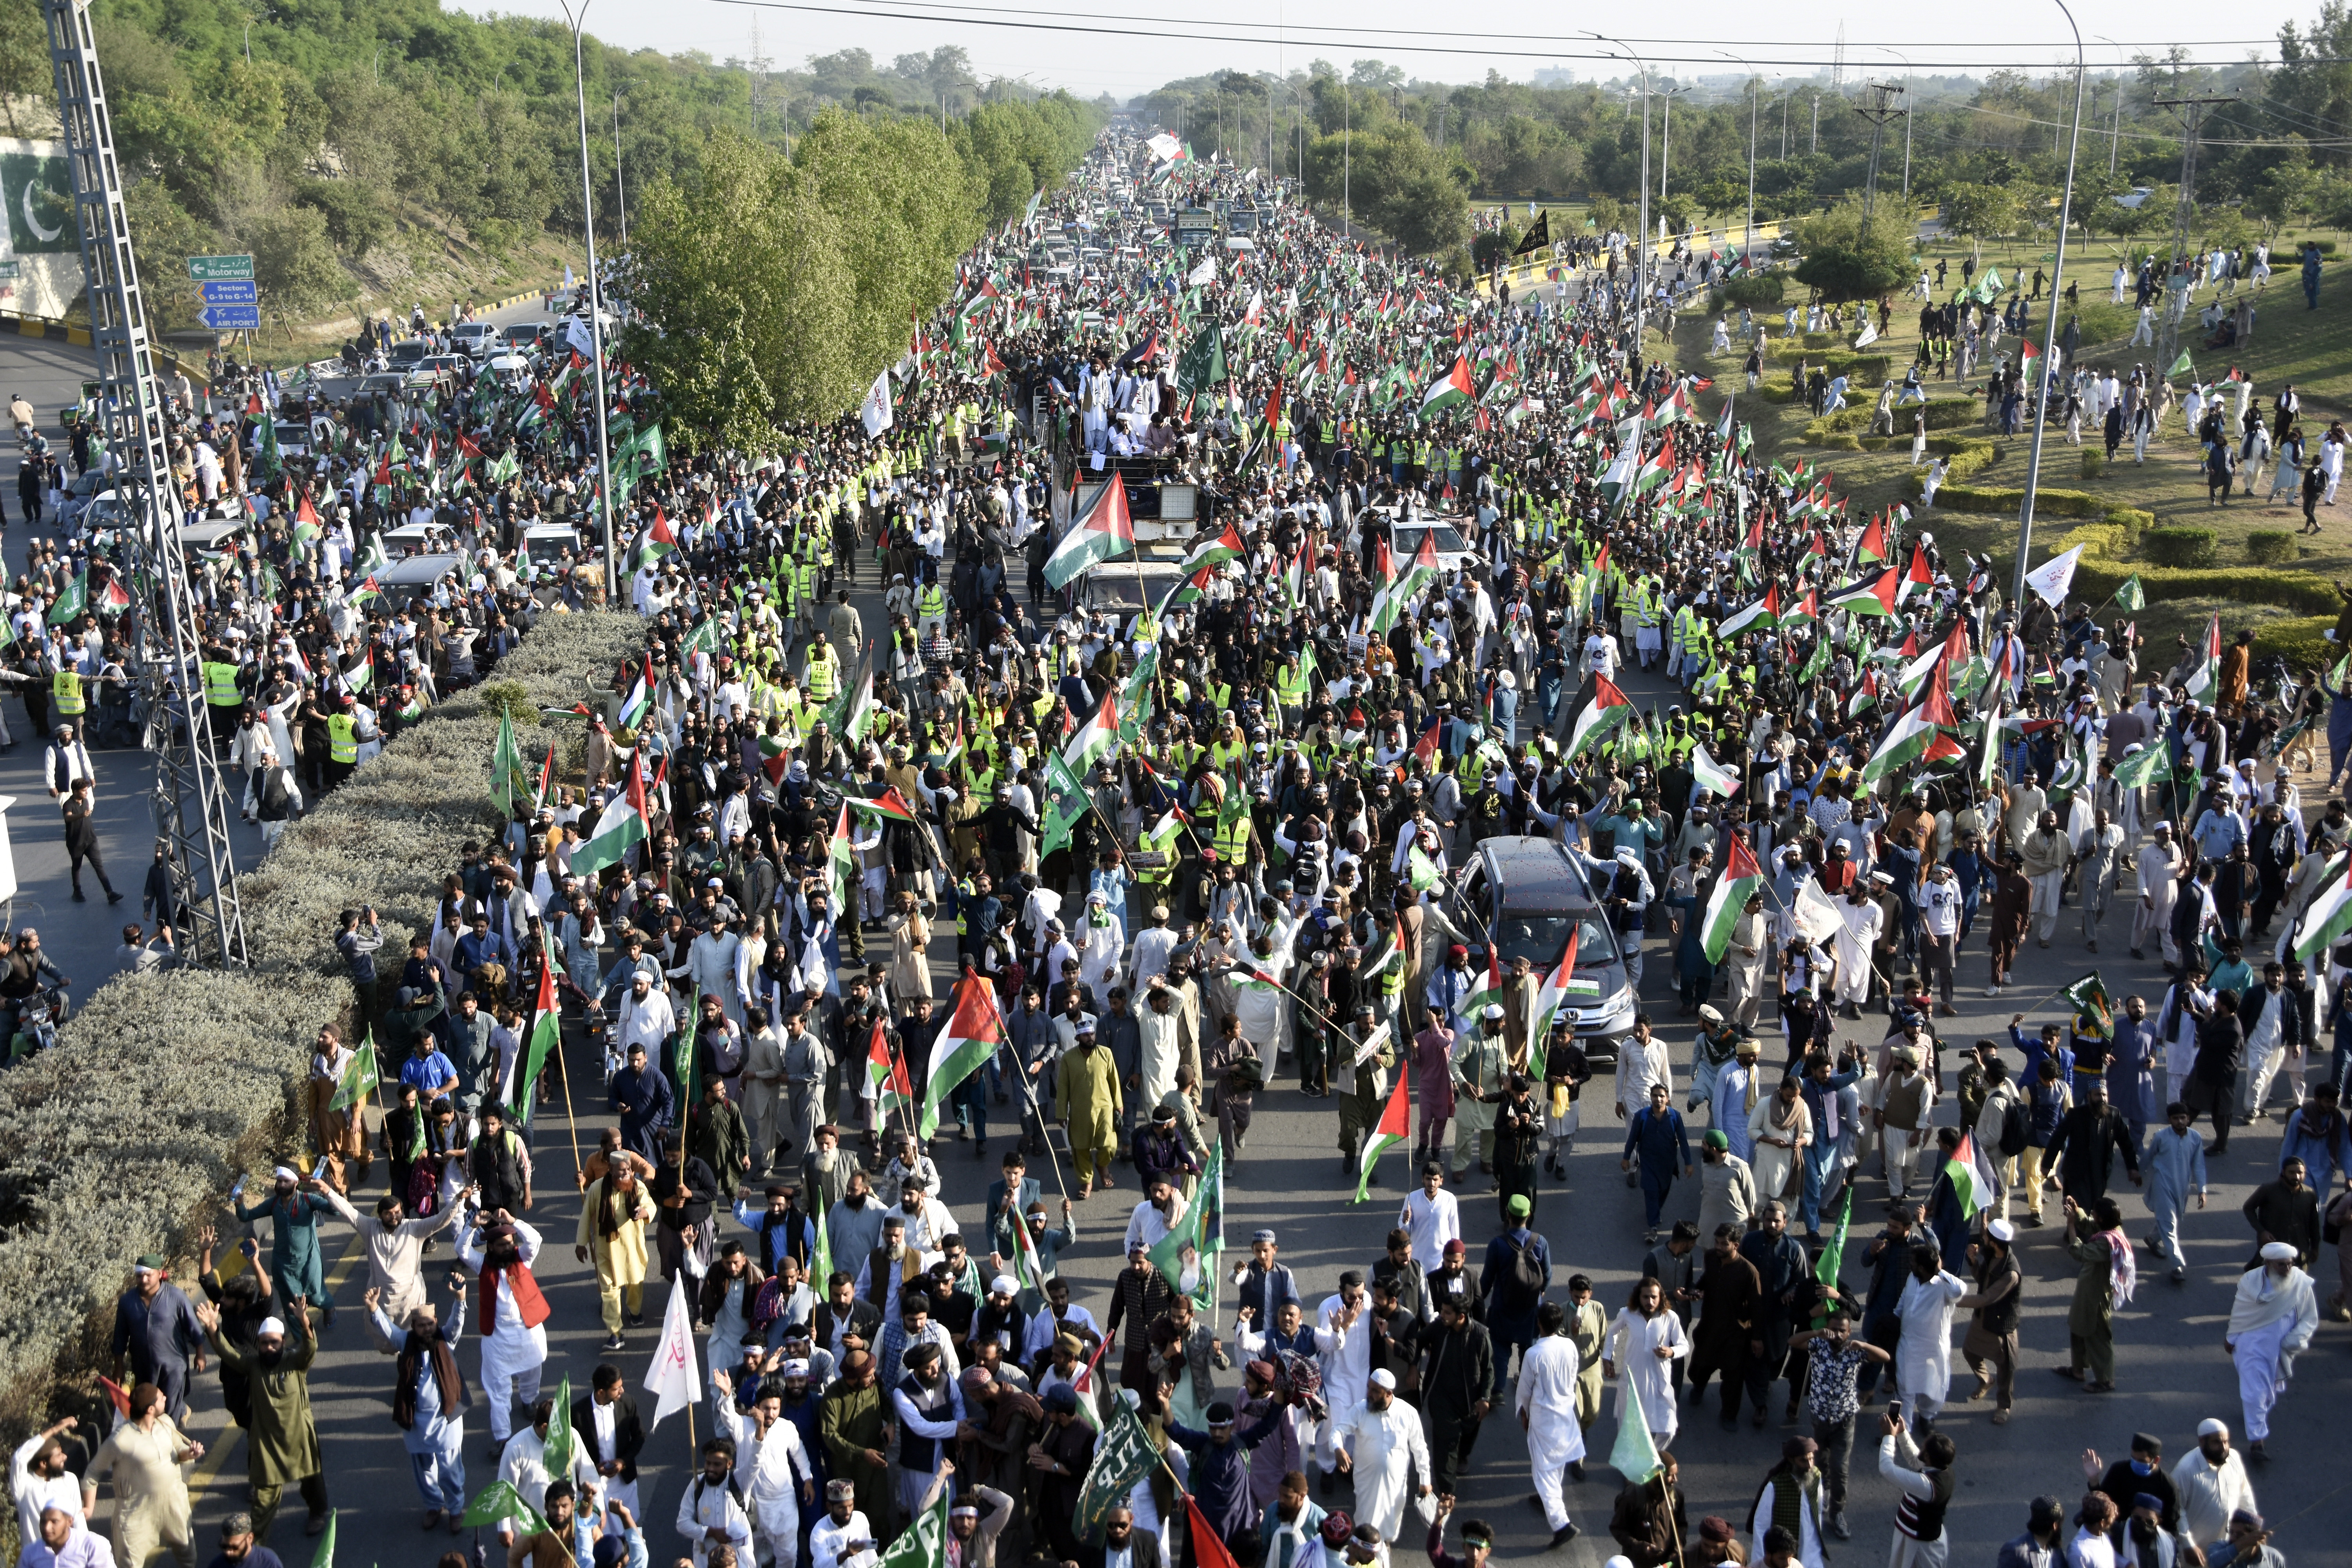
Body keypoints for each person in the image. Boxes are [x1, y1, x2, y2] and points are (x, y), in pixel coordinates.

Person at [191, 1295, 327, 1541]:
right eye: (264, 1344)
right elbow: (228, 1353)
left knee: (312, 1479)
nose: (269, 1348)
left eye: (274, 1343)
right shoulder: (253, 1365)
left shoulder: (295, 1362)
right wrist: (212, 1326)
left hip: (299, 1435)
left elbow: (311, 1347)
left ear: (283, 1342)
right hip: (267, 1442)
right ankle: (254, 1546)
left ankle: (318, 1513)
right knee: (264, 1500)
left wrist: (303, 1319)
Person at [365, 1272, 470, 1532]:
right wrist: (374, 1309)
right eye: (421, 1325)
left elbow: (456, 1323)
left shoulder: (446, 1339)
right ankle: (434, 1506)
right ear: (414, 1326)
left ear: (436, 1322)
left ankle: (456, 1509)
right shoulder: (407, 1341)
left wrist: (460, 1299)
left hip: (446, 1420)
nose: (426, 1329)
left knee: (450, 1470)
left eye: (430, 1324)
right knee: (424, 1469)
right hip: (416, 1421)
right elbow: (388, 1330)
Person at [88, 1381, 201, 1568]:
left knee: (189, 1559)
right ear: (150, 1409)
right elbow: (93, 1473)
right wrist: (88, 1507)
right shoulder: (120, 1440)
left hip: (174, 1505)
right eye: (161, 1397)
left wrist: (189, 1453)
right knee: (130, 1565)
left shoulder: (165, 1423)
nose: (165, 1397)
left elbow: (178, 1448)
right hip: (137, 1514)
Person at [2223, 1242, 2320, 1460]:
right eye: (2281, 1265)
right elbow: (2240, 1313)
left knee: (2266, 1394)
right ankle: (2257, 1442)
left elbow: (2309, 1319)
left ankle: (2254, 1414)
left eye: (2290, 1264)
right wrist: (2232, 1337)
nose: (2287, 1269)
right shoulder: (2250, 1282)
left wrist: (2292, 1341)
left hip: (2280, 1349)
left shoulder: (2301, 1285)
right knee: (2255, 1392)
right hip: (2250, 1346)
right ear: (2268, 1263)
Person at [1512, 1301, 1585, 1550]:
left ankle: (1561, 1524)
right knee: (1557, 1463)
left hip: (1544, 1419)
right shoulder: (1570, 1346)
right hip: (1566, 1414)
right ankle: (1548, 1501)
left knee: (1543, 1472)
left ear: (1539, 1324)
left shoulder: (1534, 1354)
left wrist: (1524, 1413)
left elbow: (1524, 1390)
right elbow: (1573, 1375)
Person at [2058, 1196, 2133, 1392]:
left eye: (2094, 1213)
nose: (2091, 1215)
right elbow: (2092, 1226)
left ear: (2102, 1219)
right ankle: (2077, 1369)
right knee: (2078, 1326)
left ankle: (2106, 1380)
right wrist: (2078, 1210)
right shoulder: (2112, 1231)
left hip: (2097, 1296)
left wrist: (2071, 1225)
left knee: (2098, 1336)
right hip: (2088, 1290)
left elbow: (2078, 1252)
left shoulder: (2106, 1244)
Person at [1875, 1411, 1956, 1568]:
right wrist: (1902, 1433)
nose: (1921, 1448)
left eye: (1924, 1448)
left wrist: (1889, 1437)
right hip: (1919, 1537)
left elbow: (1886, 1468)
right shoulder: (1944, 1471)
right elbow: (1916, 1460)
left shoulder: (1926, 1485)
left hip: (1919, 1544)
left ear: (1929, 1458)